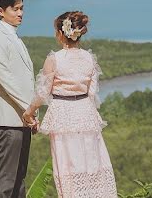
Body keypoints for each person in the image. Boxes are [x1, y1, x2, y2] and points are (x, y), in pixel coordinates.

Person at [23, 11, 118, 198]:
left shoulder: (55, 59)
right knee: (92, 163)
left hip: (63, 115)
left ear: (61, 32)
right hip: (85, 113)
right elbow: (92, 93)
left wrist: (29, 113)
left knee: (68, 165)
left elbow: (42, 93)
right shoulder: (89, 58)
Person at [0, 0, 37, 198]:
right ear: (0, 11)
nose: (20, 13)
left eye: (22, 8)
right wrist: (29, 110)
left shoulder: (14, 37)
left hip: (21, 118)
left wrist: (30, 113)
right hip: (10, 119)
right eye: (15, 9)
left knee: (19, 176)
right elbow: (7, 82)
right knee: (7, 178)